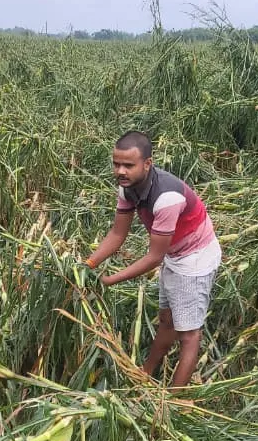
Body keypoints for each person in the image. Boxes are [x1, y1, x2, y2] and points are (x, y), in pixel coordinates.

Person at [84, 131, 222, 388]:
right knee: (167, 319)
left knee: (189, 334)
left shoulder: (166, 197)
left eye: (128, 165)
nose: (121, 171)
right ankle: (146, 372)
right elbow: (117, 234)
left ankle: (173, 401)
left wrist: (109, 280)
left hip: (195, 259)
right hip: (175, 254)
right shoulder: (128, 189)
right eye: (116, 164)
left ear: (148, 163)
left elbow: (154, 257)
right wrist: (88, 266)